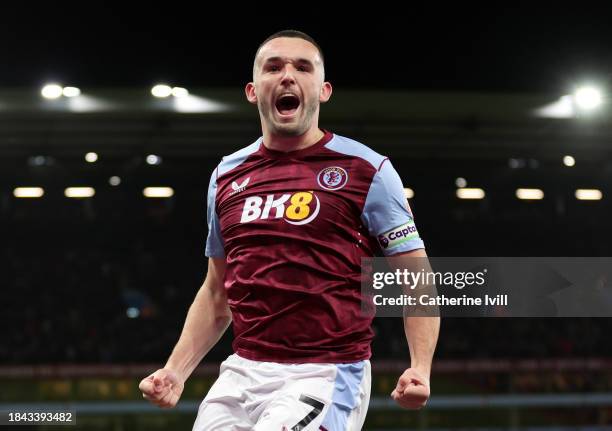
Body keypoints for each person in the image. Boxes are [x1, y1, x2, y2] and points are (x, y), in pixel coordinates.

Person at [139, 29, 440, 430]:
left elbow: (415, 277)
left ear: (324, 89)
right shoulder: (226, 176)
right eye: (273, 66)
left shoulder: (368, 170)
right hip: (242, 371)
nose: (287, 75)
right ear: (252, 90)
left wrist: (420, 367)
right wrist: (176, 370)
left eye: (302, 67)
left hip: (326, 373)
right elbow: (216, 292)